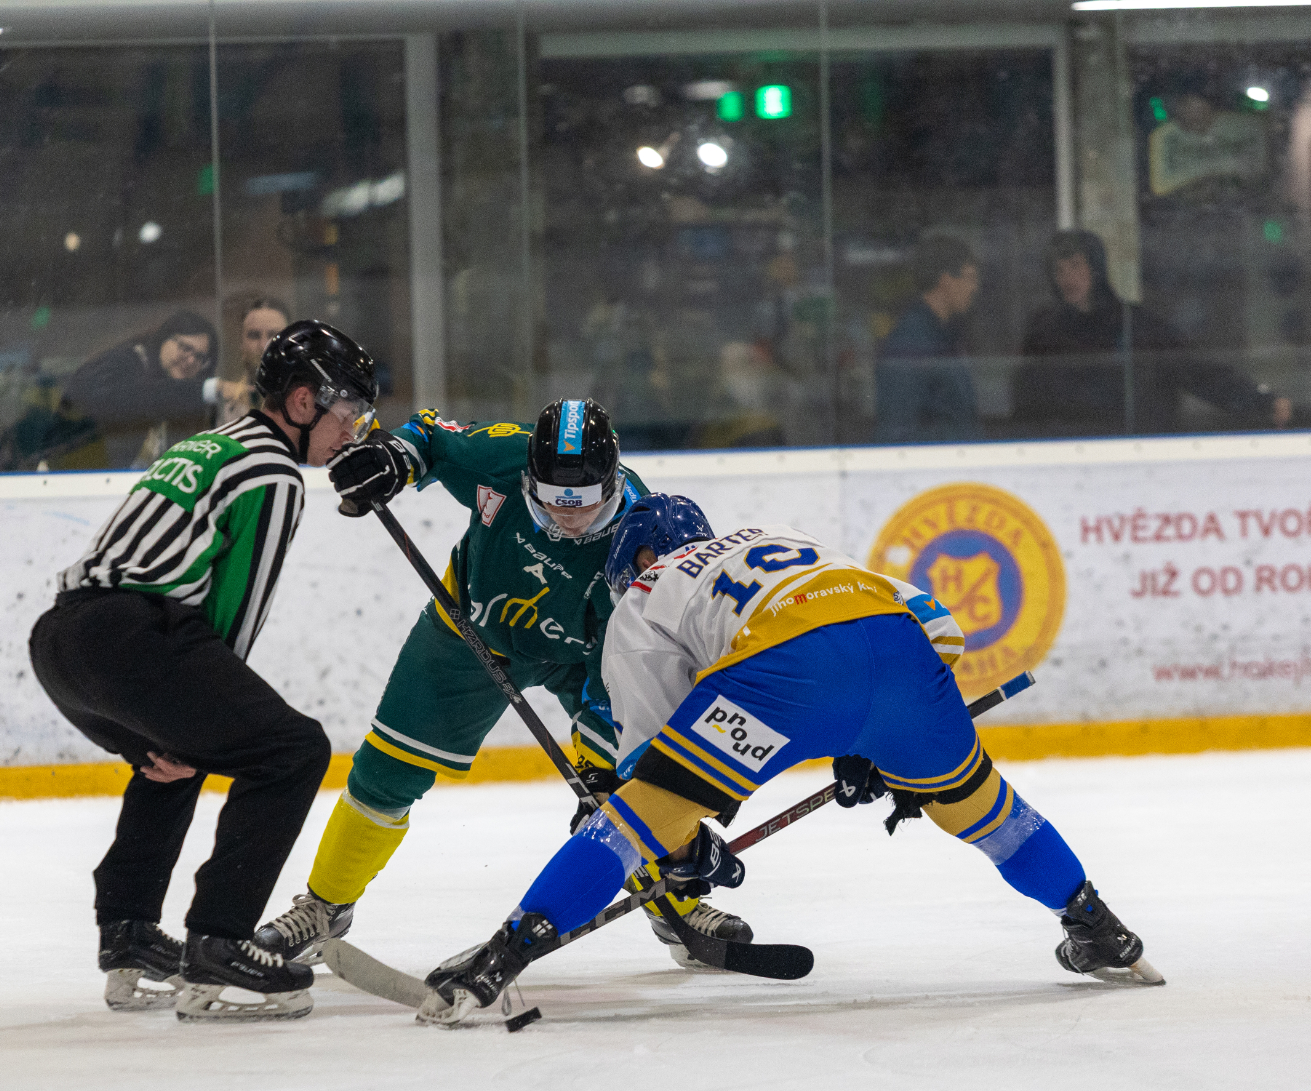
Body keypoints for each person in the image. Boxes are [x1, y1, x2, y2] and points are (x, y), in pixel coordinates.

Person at [417, 495, 1160, 1025]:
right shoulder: (780, 534)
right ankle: (1096, 926)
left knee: (632, 822)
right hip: (900, 653)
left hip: (781, 677)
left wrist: (682, 852)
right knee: (985, 810)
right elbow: (941, 626)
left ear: (640, 558)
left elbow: (649, 764)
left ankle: (499, 960)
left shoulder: (645, 591)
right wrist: (874, 742)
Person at [252, 400, 756, 971]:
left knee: (633, 776)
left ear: (613, 481)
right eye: (552, 503)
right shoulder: (500, 456)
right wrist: (395, 457)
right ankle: (324, 907)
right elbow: (431, 437)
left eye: (584, 505)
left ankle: (676, 899)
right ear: (528, 476)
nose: (569, 519)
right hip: (473, 629)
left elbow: (631, 658)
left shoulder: (643, 530)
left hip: (594, 653)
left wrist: (601, 767)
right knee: (385, 770)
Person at [27, 320, 379, 1023]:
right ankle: (220, 937)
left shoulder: (211, 442)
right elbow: (231, 618)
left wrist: (197, 722)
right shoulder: (274, 473)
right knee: (291, 750)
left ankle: (127, 928)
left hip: (62, 640)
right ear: (304, 403)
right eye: (349, 416)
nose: (353, 434)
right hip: (133, 637)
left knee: (176, 756)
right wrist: (217, 703)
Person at [1013, 229, 1291, 437]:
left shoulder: (1134, 325)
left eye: (1075, 266)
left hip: (1133, 453)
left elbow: (1195, 370)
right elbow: (1028, 403)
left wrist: (1258, 400)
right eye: (1059, 270)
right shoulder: (1044, 332)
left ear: (1095, 268)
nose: (1067, 279)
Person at [59, 309, 220, 468]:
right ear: (165, 338)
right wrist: (206, 390)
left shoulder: (181, 404)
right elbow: (118, 401)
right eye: (185, 348)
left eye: (200, 357)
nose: (191, 360)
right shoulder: (127, 361)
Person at [874, 233, 982, 443]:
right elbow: (899, 430)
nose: (974, 287)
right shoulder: (911, 342)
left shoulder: (946, 334)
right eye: (969, 277)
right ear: (946, 281)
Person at [217, 296, 291, 426]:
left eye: (274, 335)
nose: (264, 345)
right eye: (254, 335)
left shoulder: (308, 403)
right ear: (241, 346)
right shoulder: (224, 406)